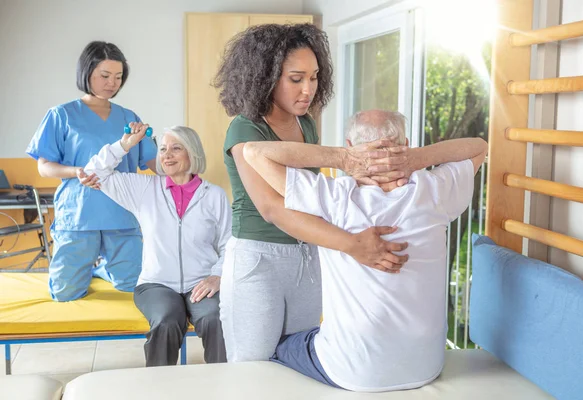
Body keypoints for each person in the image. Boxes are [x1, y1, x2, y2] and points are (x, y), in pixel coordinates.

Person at [243, 109, 488, 392]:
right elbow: (478, 147)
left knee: (276, 345)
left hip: (353, 372)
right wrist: (417, 159)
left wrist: (342, 160)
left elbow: (254, 152)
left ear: (351, 147)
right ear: (405, 145)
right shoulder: (434, 190)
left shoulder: (334, 197)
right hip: (425, 365)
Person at [213, 24, 411, 362]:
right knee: (253, 368)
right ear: (266, 78)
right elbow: (273, 208)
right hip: (259, 259)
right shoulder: (246, 128)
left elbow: (312, 194)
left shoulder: (305, 123)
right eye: (296, 78)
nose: (308, 89)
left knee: (296, 362)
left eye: (315, 77)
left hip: (308, 258)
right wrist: (351, 245)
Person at [83, 123, 229, 366]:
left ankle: (224, 385)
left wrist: (218, 275)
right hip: (156, 284)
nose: (167, 155)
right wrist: (126, 143)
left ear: (192, 152)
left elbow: (229, 243)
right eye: (162, 149)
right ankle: (158, 388)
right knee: (166, 321)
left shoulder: (214, 195)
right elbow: (94, 172)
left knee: (216, 320)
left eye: (176, 148)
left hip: (202, 282)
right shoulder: (144, 189)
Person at [26, 41, 157, 301]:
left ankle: (100, 269)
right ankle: (89, 266)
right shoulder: (61, 115)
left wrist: (181, 152)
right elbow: (44, 166)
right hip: (79, 214)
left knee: (131, 285)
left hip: (121, 212)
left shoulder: (129, 118)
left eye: (118, 77)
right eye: (105, 76)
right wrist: (76, 171)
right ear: (87, 73)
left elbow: (154, 163)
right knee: (65, 293)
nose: (112, 83)